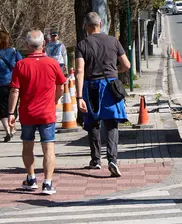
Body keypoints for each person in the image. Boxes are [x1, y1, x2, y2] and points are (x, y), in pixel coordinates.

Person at [8, 30, 66, 195]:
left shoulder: (21, 65)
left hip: (27, 113)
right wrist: (54, 100)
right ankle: (47, 183)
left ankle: (31, 177)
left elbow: (14, 91)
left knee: (28, 145)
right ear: (44, 44)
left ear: (27, 45)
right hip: (47, 113)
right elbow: (61, 86)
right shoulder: (53, 64)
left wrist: (11, 113)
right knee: (48, 147)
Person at [75, 12, 130, 177]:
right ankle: (112, 159)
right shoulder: (113, 41)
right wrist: (116, 71)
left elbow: (79, 71)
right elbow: (126, 65)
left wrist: (78, 97)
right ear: (100, 24)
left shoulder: (82, 45)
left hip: (90, 86)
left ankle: (95, 160)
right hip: (110, 86)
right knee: (112, 123)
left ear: (86, 26)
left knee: (92, 123)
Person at [0, 31, 23, 142]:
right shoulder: (14, 51)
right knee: (13, 106)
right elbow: (21, 64)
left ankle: (7, 131)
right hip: (13, 83)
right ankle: (12, 128)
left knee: (2, 107)